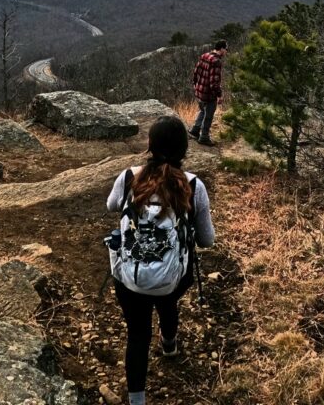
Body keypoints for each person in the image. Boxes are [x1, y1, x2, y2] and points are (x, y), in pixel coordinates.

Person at [106, 116, 215, 405]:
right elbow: (207, 240)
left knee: (137, 334)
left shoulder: (129, 177)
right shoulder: (193, 185)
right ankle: (169, 344)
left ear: (149, 146)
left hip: (130, 276)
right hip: (172, 278)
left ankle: (137, 400)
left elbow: (111, 206)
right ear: (183, 149)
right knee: (167, 301)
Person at [190, 39, 227, 145]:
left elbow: (196, 71)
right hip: (208, 93)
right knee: (209, 115)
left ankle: (195, 130)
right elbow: (214, 82)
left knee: (202, 110)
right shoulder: (216, 61)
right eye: (226, 49)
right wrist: (219, 95)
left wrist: (195, 84)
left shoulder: (205, 55)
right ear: (221, 49)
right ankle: (204, 137)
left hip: (200, 91)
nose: (226, 52)